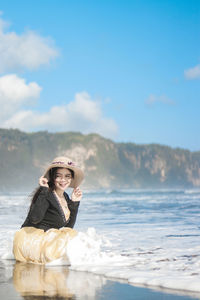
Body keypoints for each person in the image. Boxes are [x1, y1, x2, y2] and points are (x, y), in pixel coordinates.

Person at [13, 156, 84, 264]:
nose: (63, 180)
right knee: (70, 245)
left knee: (74, 239)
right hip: (29, 240)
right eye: (58, 176)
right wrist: (44, 189)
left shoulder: (65, 196)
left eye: (67, 176)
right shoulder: (46, 193)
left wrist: (74, 203)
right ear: (52, 177)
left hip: (47, 240)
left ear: (71, 178)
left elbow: (68, 228)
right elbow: (35, 218)